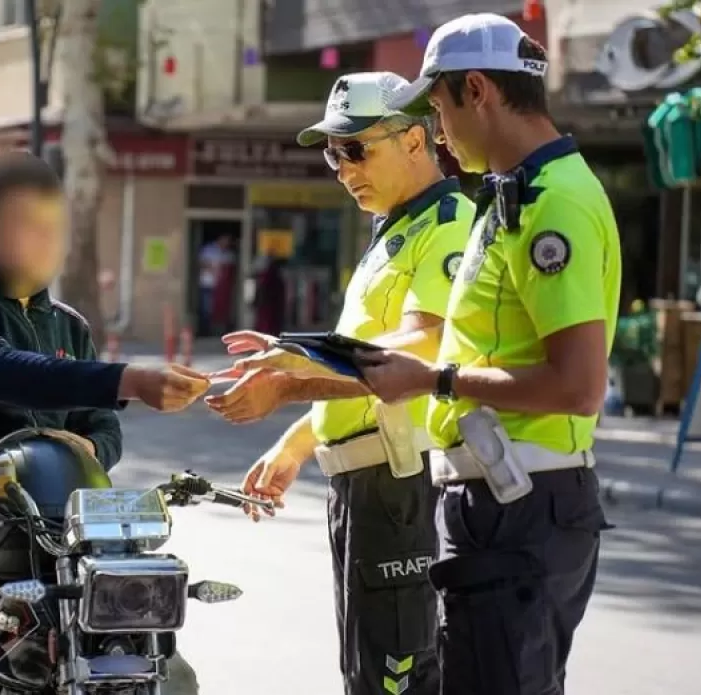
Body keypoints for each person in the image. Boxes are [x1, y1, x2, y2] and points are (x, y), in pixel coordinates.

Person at [0, 151, 210, 695]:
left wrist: (93, 446)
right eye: (26, 224)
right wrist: (128, 380)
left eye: (54, 226)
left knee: (168, 673)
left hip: (58, 542)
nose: (45, 241)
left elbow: (102, 428)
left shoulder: (70, 327)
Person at [356, 15, 619, 695]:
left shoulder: (551, 201)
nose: (437, 133)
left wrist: (434, 378)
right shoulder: (515, 193)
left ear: (478, 90)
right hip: (501, 502)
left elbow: (579, 384)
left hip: (520, 504)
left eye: (439, 109)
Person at [206, 71, 474, 695]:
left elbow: (422, 348)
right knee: (368, 670)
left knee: (396, 677)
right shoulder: (395, 230)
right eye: (333, 152)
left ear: (414, 140)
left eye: (356, 148)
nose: (341, 167)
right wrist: (298, 442)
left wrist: (298, 361)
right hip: (365, 480)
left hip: (399, 481)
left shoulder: (448, 223)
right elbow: (365, 369)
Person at [198, 233, 233, 335]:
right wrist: (213, 268)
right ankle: (204, 332)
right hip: (208, 285)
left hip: (221, 287)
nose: (226, 244)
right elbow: (202, 263)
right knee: (206, 309)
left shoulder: (227, 253)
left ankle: (219, 331)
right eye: (225, 241)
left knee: (220, 310)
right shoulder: (209, 249)